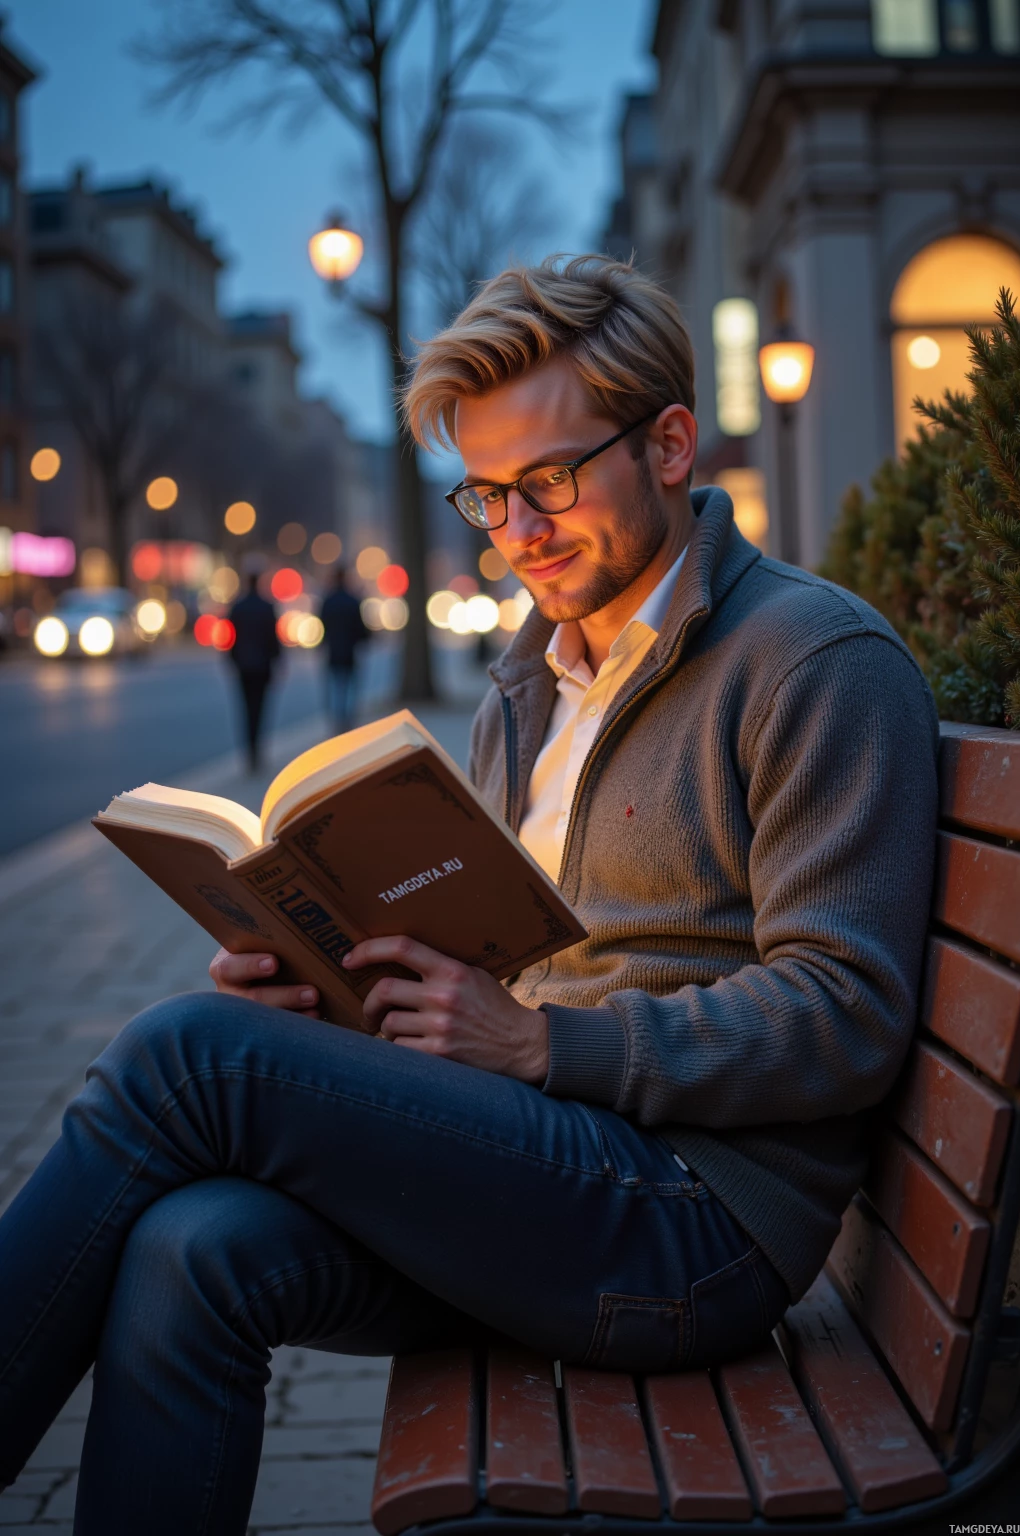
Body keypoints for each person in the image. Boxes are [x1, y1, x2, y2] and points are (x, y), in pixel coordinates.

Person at [0, 257, 939, 1536]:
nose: (520, 532)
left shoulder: (810, 661)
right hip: (544, 1177)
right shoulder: (532, 683)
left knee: (189, 1057)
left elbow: (846, 1013)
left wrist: (550, 1044)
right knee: (192, 1249)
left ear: (669, 443)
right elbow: (495, 975)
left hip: (694, 1224)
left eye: (549, 480)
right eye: (488, 497)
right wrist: (331, 998)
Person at [227, 571, 281, 771]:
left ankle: (249, 751)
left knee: (245, 709)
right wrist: (276, 661)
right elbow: (273, 640)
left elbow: (230, 639)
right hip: (263, 666)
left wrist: (233, 660)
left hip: (244, 665)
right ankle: (258, 750)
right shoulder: (267, 607)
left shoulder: (238, 607)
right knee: (260, 709)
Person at [319, 564, 369, 731]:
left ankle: (337, 720)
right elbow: (361, 630)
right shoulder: (352, 601)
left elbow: (323, 627)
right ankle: (347, 720)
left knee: (335, 687)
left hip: (333, 652)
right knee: (348, 687)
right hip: (349, 652)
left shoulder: (328, 601)